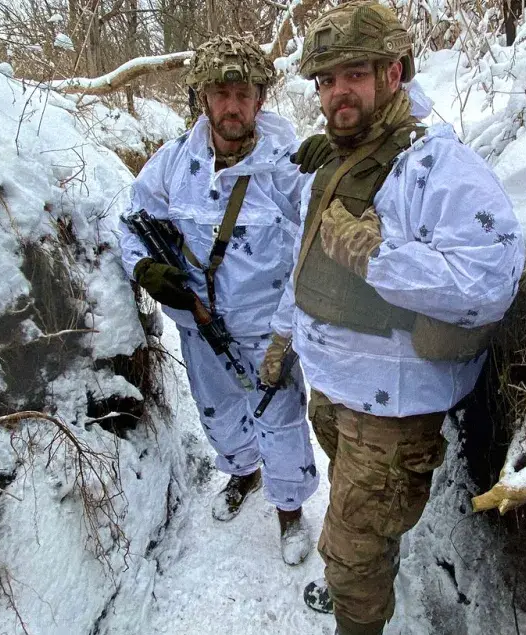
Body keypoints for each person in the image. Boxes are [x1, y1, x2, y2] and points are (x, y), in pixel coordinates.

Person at [260, 2, 525, 633]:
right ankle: (365, 575)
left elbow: (491, 282)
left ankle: (357, 603)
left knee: (352, 547)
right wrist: (282, 336)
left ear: (394, 72)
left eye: (352, 73)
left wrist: (381, 257)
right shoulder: (334, 158)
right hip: (331, 388)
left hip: (390, 408)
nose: (335, 92)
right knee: (362, 523)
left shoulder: (435, 165)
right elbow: (306, 267)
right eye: (325, 80)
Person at [116, 35, 318, 565]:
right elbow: (132, 222)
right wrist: (145, 267)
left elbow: (311, 252)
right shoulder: (173, 165)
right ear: (202, 99)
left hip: (268, 326)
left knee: (280, 415)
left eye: (243, 93)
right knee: (220, 412)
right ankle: (242, 473)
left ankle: (290, 512)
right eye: (219, 92)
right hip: (197, 325)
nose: (231, 105)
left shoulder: (287, 168)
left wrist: (286, 330)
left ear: (259, 100)